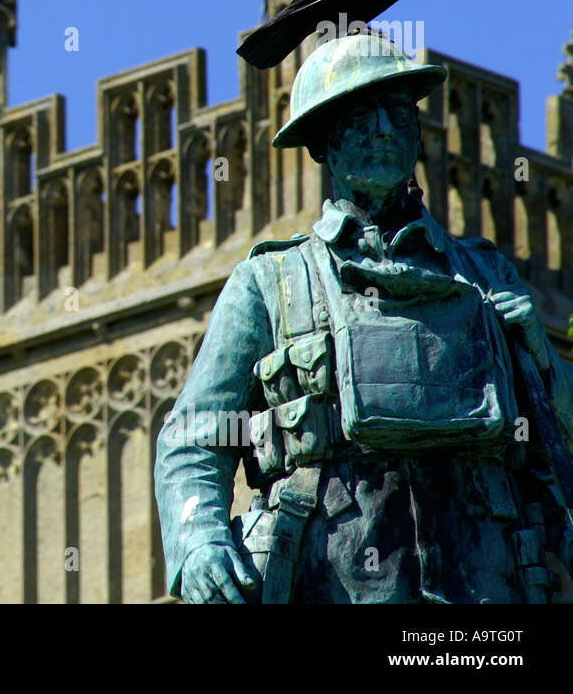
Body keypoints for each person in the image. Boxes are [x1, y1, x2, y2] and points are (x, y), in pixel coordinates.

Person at [154, 32, 573, 603]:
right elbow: (193, 436)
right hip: (330, 582)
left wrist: (543, 359)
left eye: (398, 111)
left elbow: (560, 444)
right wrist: (199, 539)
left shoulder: (486, 274)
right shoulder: (271, 283)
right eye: (358, 115)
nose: (382, 129)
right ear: (321, 142)